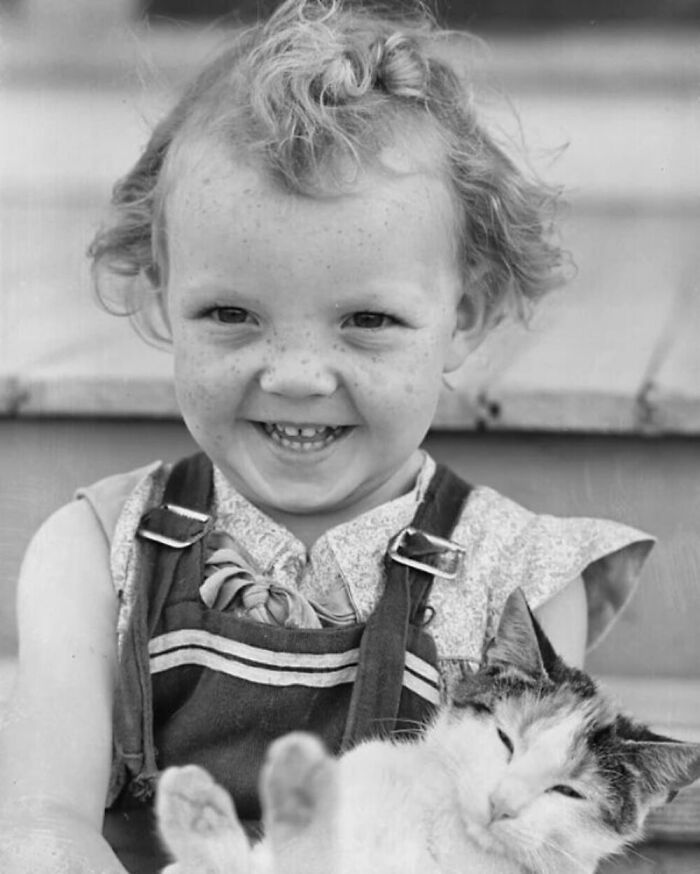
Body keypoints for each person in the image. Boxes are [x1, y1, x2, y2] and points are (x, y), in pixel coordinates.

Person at [0, 1, 654, 871]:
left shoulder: (515, 583)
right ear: (160, 296)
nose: (298, 374)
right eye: (230, 313)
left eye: (368, 320)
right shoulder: (94, 552)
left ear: (466, 317)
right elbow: (44, 829)